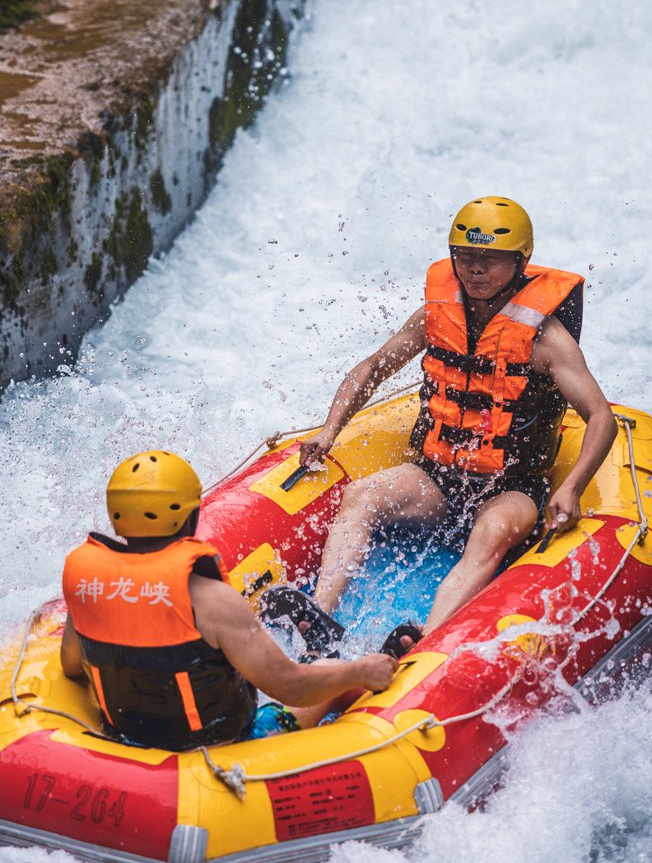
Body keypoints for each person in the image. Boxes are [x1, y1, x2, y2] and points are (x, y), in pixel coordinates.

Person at [299, 196, 617, 634]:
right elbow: (374, 366)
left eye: (490, 260)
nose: (475, 270)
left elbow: (600, 416)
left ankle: (424, 646)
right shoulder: (437, 312)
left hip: (513, 487)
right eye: (465, 257)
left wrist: (573, 487)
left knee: (490, 533)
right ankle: (319, 617)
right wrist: (329, 433)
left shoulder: (547, 339)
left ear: (520, 262)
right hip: (439, 476)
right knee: (361, 497)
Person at [61, 450, 397, 751]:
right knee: (333, 668)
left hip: (126, 742)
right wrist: (360, 671)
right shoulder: (211, 600)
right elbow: (291, 687)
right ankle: (331, 656)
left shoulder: (87, 585)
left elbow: (70, 665)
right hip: (226, 750)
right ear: (190, 518)